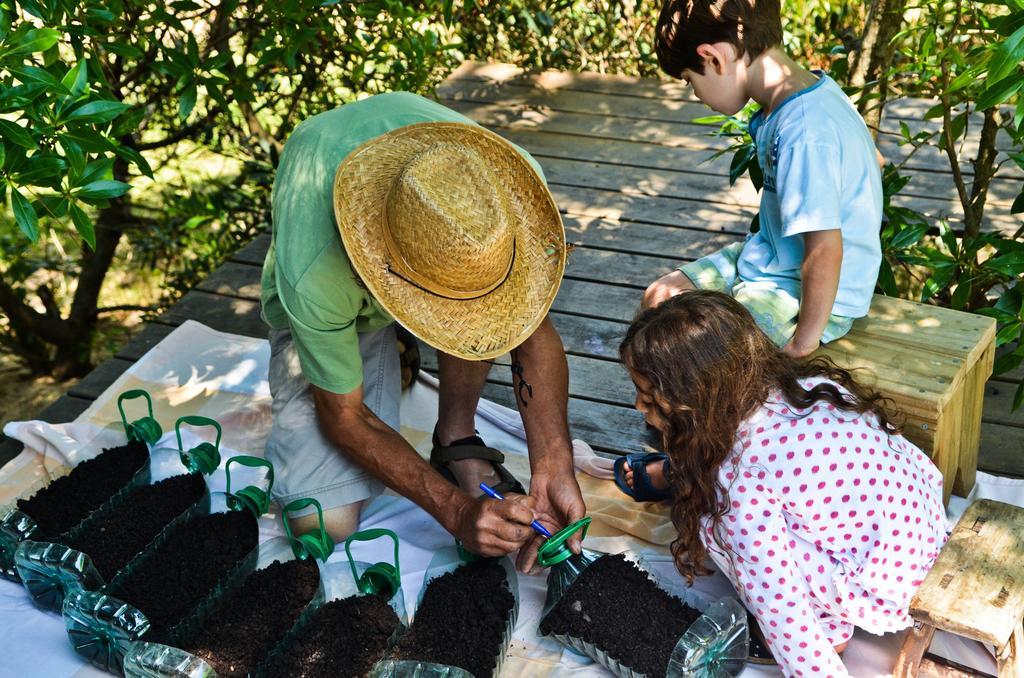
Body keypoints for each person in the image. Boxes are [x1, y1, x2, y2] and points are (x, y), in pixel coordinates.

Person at [260, 92, 585, 571]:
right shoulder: (316, 274)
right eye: (438, 307)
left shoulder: (510, 194)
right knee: (322, 523)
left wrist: (554, 464)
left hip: (421, 232)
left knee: (484, 311)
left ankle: (455, 439)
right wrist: (455, 511)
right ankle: (377, 334)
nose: (455, 324)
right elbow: (343, 416)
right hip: (338, 270)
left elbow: (531, 332)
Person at [618, 0, 885, 501]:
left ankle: (693, 469)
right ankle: (677, 436)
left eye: (690, 80)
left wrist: (804, 343)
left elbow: (825, 250)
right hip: (766, 256)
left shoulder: (805, 129)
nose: (695, 94)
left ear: (714, 57)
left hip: (802, 289)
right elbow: (873, 157)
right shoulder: (798, 96)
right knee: (662, 297)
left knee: (699, 357)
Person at [619, 291, 947, 676]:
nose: (639, 408)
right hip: (925, 533)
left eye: (650, 400)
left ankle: (832, 630)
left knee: (719, 524)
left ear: (697, 403)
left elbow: (778, 600)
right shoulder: (812, 388)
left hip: (885, 589)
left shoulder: (737, 480)